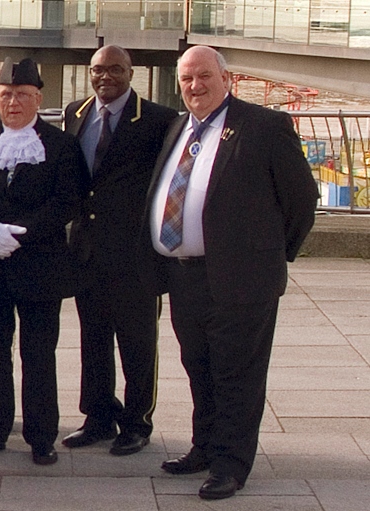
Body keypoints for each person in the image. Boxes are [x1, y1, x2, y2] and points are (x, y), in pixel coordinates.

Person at [153, 46, 317, 500]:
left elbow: (301, 201)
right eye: (186, 79)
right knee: (199, 366)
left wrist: (265, 256)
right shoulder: (178, 128)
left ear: (227, 78)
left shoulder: (263, 126)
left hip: (243, 280)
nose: (194, 86)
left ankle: (231, 464)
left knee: (237, 375)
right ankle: (204, 448)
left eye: (204, 76)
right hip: (185, 277)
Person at [0, 58, 84, 466]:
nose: (13, 102)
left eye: (22, 95)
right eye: (6, 95)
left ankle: (41, 436)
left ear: (38, 99)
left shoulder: (61, 144)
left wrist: (19, 233)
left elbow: (67, 201)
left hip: (40, 266)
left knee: (39, 354)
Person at [60, 45, 178, 457]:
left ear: (131, 73)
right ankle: (97, 418)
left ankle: (137, 422)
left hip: (135, 256)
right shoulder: (75, 112)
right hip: (88, 252)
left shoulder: (161, 119)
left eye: (114, 69)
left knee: (137, 344)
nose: (104, 76)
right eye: (97, 70)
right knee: (93, 341)